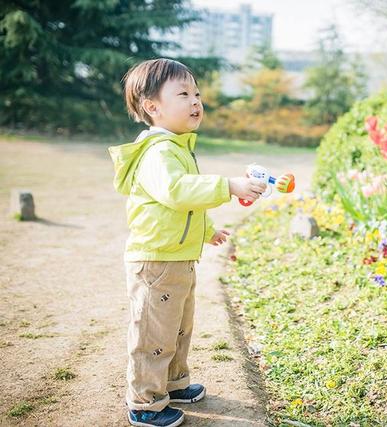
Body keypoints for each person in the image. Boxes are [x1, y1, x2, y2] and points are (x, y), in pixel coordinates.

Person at [108, 58, 266, 427]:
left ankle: (173, 383)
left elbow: (186, 205)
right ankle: (145, 402)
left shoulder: (177, 146)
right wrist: (228, 186)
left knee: (178, 325)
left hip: (177, 257)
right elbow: (177, 192)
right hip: (157, 261)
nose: (195, 101)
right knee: (153, 332)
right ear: (152, 107)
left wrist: (207, 230)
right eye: (183, 94)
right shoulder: (158, 151)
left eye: (197, 93)